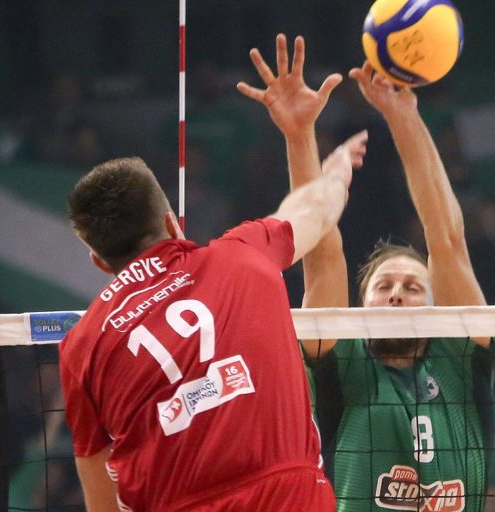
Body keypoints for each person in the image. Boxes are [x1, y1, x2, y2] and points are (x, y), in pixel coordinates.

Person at [59, 34, 360, 512]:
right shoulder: (241, 254)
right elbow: (316, 211)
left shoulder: (81, 345)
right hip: (288, 499)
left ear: (99, 261)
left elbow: (99, 492)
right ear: (171, 223)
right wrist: (330, 163)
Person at [294, 59, 495, 511]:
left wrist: (404, 117)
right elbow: (321, 255)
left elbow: (447, 239)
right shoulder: (345, 365)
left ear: (438, 309)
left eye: (413, 287)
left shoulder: (458, 360)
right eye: (383, 286)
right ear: (360, 308)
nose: (398, 293)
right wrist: (299, 134)